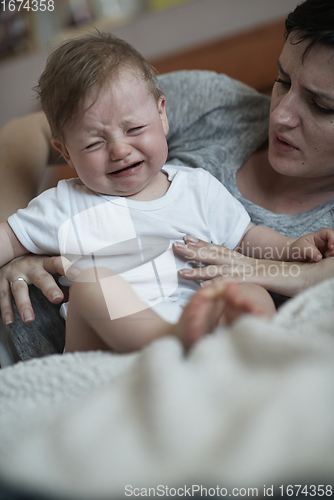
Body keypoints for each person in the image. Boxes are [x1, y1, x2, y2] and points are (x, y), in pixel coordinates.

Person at [0, 0, 334, 358]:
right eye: (281, 81)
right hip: (105, 351)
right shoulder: (64, 203)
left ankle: (249, 357)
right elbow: (8, 229)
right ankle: (170, 340)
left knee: (251, 294)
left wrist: (290, 249)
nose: (119, 151)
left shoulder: (198, 187)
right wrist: (14, 261)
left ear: (162, 116)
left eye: (322, 105)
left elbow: (246, 237)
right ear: (65, 153)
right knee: (94, 286)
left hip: (200, 329)